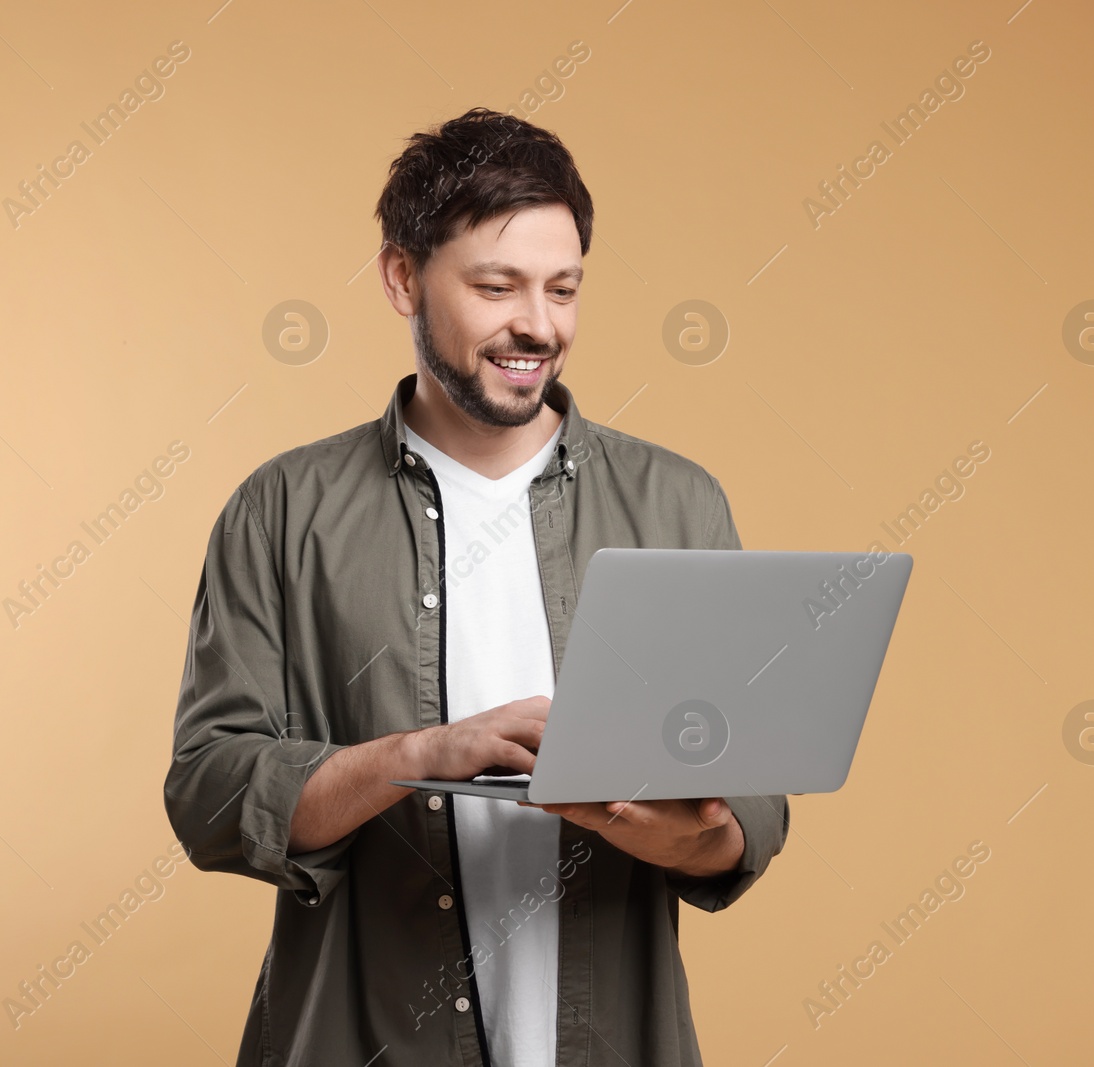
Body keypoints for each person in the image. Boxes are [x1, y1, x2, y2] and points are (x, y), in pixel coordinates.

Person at [163, 106, 789, 1066]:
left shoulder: (679, 506)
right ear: (403, 277)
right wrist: (419, 755)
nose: (536, 325)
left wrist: (647, 825)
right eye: (497, 286)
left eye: (563, 288)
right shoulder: (282, 510)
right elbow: (210, 793)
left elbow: (746, 822)